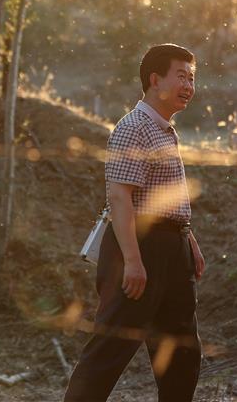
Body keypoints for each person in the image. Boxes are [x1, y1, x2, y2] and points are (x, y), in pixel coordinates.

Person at [64, 43, 206, 402]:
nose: (188, 86)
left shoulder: (165, 130)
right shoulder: (134, 127)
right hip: (139, 246)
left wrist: (188, 242)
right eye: (181, 77)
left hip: (171, 249)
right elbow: (119, 197)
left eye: (192, 78)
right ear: (155, 79)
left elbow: (167, 200)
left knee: (182, 352)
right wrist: (132, 260)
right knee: (111, 348)